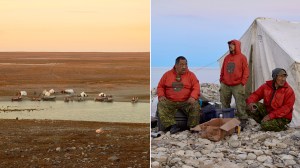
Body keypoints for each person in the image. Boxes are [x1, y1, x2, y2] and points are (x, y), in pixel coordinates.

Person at [157, 56, 200, 134]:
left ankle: (192, 127)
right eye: (181, 65)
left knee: (195, 105)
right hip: (170, 102)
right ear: (176, 65)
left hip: (186, 102)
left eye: (186, 65)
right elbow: (160, 86)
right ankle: (172, 126)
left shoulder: (191, 75)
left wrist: (193, 97)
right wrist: (161, 95)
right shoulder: (167, 75)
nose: (184, 67)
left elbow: (196, 87)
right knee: (161, 104)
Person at [220, 39, 249, 128]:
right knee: (224, 101)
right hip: (226, 84)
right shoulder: (227, 58)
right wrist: (221, 79)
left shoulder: (242, 57)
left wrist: (243, 82)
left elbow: (246, 71)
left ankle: (243, 119)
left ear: (237, 46)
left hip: (237, 84)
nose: (230, 46)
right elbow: (223, 69)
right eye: (229, 45)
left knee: (240, 102)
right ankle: (227, 118)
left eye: (232, 44)